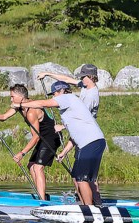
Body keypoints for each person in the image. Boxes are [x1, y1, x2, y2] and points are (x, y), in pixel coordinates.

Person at [15, 81, 107, 206]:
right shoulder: (68, 111)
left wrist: (20, 104)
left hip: (91, 142)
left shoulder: (67, 98)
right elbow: (75, 135)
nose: (53, 97)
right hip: (90, 143)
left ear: (62, 91)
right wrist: (64, 152)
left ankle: (89, 209)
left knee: (82, 178)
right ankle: (92, 204)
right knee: (76, 176)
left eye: (54, 94)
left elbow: (43, 103)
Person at [0, 84, 61, 201]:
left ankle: (42, 202)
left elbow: (35, 137)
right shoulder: (19, 107)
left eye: (12, 96)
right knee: (31, 165)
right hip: (42, 136)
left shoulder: (31, 112)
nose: (11, 99)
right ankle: (41, 195)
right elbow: (3, 117)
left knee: (38, 167)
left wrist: (21, 153)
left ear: (20, 97)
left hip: (51, 136)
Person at [39, 64, 103, 200]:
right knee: (77, 176)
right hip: (81, 135)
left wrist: (62, 126)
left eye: (83, 77)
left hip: (86, 134)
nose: (81, 80)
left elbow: (81, 117)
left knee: (87, 178)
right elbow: (67, 80)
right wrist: (47, 74)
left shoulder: (92, 96)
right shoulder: (85, 86)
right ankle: (84, 202)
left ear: (91, 77)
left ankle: (95, 204)